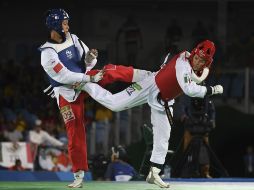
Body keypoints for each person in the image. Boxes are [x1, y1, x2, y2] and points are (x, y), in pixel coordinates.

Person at [81, 40, 223, 188]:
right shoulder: (183, 63)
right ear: (193, 53)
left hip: (164, 100)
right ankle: (86, 84)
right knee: (115, 104)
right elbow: (190, 90)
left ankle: (154, 173)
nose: (198, 61)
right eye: (197, 57)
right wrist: (212, 90)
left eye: (202, 61)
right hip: (151, 85)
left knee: (163, 138)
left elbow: (195, 78)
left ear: (207, 63)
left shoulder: (194, 68)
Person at [39, 8, 151, 188]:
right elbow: (64, 76)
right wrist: (89, 77)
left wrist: (90, 58)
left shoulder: (74, 38)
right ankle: (78, 175)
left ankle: (147, 75)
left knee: (109, 70)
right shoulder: (47, 53)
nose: (67, 26)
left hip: (84, 79)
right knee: (75, 131)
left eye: (67, 22)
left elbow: (87, 63)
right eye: (64, 23)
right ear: (54, 25)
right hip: (66, 92)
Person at [179, 93, 216, 178]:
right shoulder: (187, 93)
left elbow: (211, 108)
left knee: (205, 150)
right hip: (190, 127)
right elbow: (182, 107)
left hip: (203, 126)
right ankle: (187, 171)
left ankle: (205, 172)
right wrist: (184, 116)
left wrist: (212, 120)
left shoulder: (205, 92)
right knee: (187, 150)